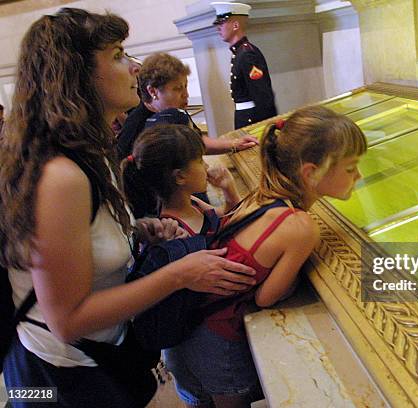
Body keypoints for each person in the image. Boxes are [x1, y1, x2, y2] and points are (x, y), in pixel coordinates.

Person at [0, 8, 256, 408]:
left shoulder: (92, 153)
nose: (134, 68)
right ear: (77, 74)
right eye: (119, 54)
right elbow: (67, 321)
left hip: (102, 358)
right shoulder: (60, 175)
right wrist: (179, 274)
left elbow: (82, 240)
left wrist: (137, 229)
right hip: (59, 379)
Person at [163, 105, 367, 408]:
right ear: (311, 172)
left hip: (190, 335)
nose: (359, 176)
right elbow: (267, 297)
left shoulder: (263, 196)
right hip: (218, 343)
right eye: (350, 168)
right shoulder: (300, 227)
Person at [117, 52, 258, 160]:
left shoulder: (173, 112)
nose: (186, 95)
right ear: (153, 91)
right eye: (178, 89)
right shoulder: (136, 128)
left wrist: (234, 144)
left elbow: (195, 140)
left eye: (185, 87)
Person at [121, 123, 240, 239]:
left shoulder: (192, 202)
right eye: (200, 161)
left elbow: (228, 216)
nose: (206, 166)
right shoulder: (175, 231)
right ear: (180, 177)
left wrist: (228, 189)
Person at [212, 2, 278, 129]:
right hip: (245, 117)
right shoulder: (240, 53)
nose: (218, 28)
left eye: (222, 23)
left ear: (236, 25)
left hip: (251, 120)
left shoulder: (247, 54)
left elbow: (263, 96)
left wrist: (266, 128)